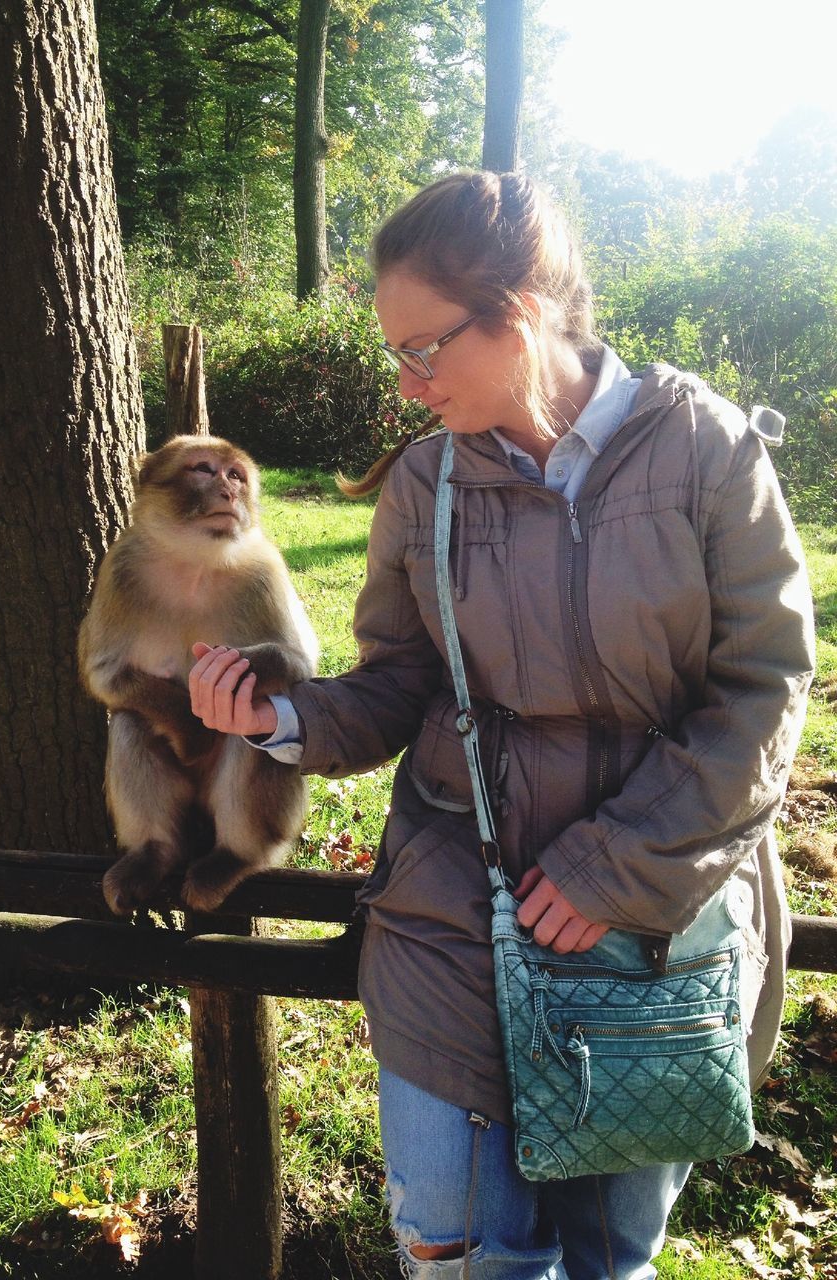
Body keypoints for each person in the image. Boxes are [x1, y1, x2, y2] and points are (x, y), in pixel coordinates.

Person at [188, 170, 815, 1280]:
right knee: (461, 1254)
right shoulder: (421, 486)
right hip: (453, 914)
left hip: (661, 928)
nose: (408, 383)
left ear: (519, 313)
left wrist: (612, 870)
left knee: (607, 1256)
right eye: (396, 353)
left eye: (425, 349)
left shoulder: (707, 451)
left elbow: (763, 695)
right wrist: (280, 715)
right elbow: (398, 682)